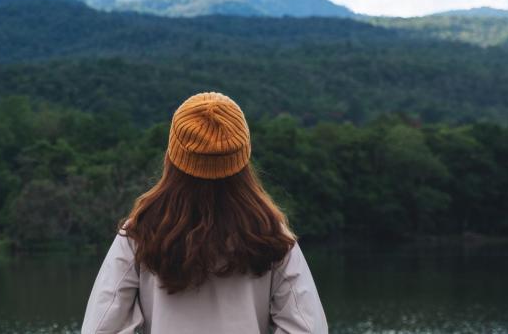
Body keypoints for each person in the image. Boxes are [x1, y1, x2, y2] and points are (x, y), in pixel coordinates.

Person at [81, 92, 328, 334]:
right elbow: (308, 327)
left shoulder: (140, 232)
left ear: (172, 156)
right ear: (244, 159)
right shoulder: (272, 235)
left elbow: (101, 326)